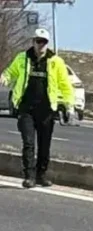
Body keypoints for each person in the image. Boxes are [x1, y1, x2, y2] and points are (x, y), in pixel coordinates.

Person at [0, 28, 74, 188]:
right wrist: (5, 77)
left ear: (47, 44)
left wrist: (69, 105)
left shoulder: (56, 62)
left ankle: (41, 175)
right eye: (38, 41)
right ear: (33, 42)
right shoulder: (22, 58)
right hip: (26, 108)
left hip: (46, 110)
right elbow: (11, 72)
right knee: (28, 143)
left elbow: (65, 85)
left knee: (44, 144)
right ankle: (29, 176)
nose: (41, 45)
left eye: (44, 42)